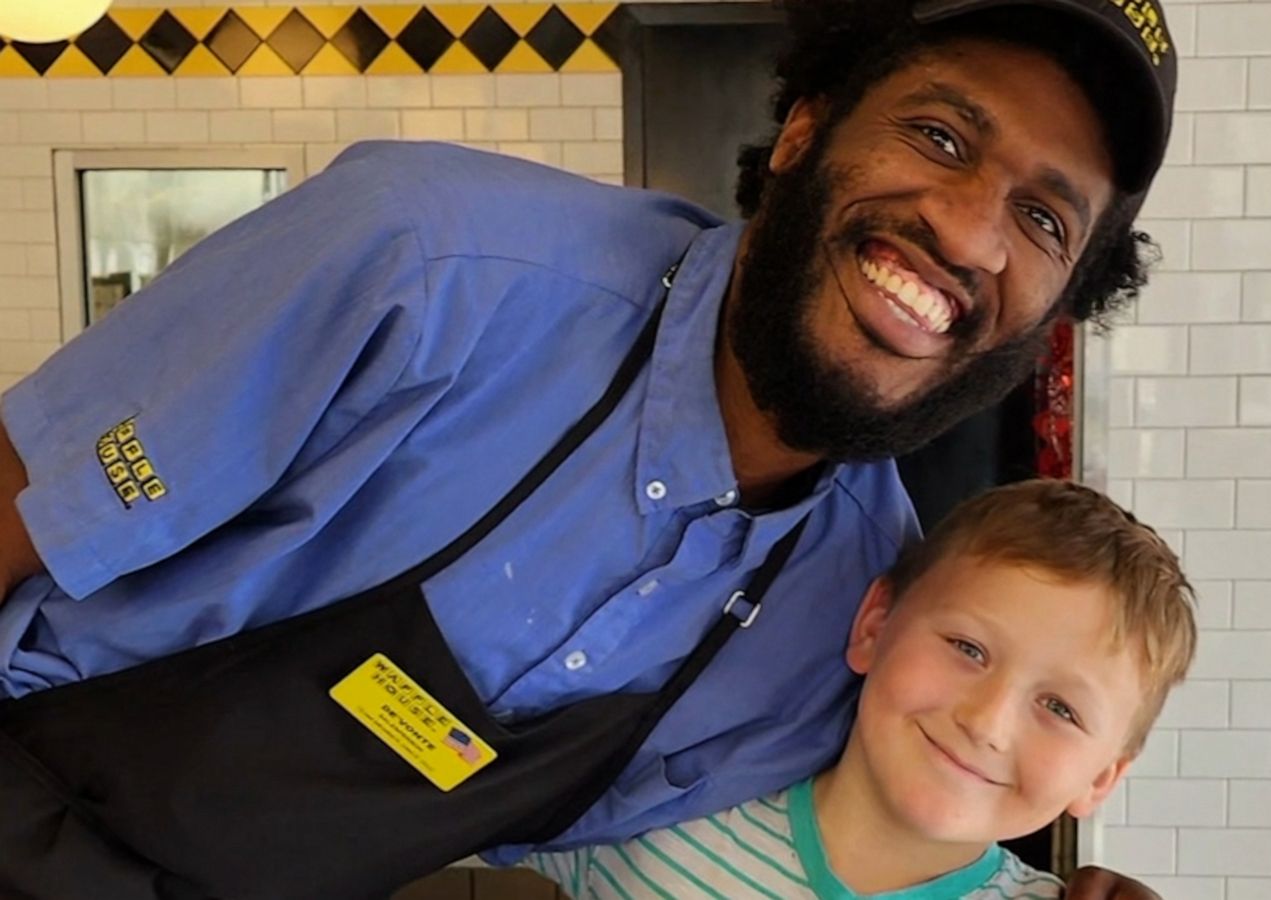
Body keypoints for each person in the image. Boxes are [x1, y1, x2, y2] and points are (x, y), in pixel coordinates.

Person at [0, 0, 1177, 896]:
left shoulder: (848, 614)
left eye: (1041, 218)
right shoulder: (429, 264)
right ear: (804, 130)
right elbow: (18, 502)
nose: (968, 230)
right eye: (937, 133)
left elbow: (856, 827)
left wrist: (1039, 883)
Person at [524, 479, 1197, 899]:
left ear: (1102, 778)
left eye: (1060, 708)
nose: (988, 722)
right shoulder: (668, 812)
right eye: (968, 648)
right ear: (876, 625)